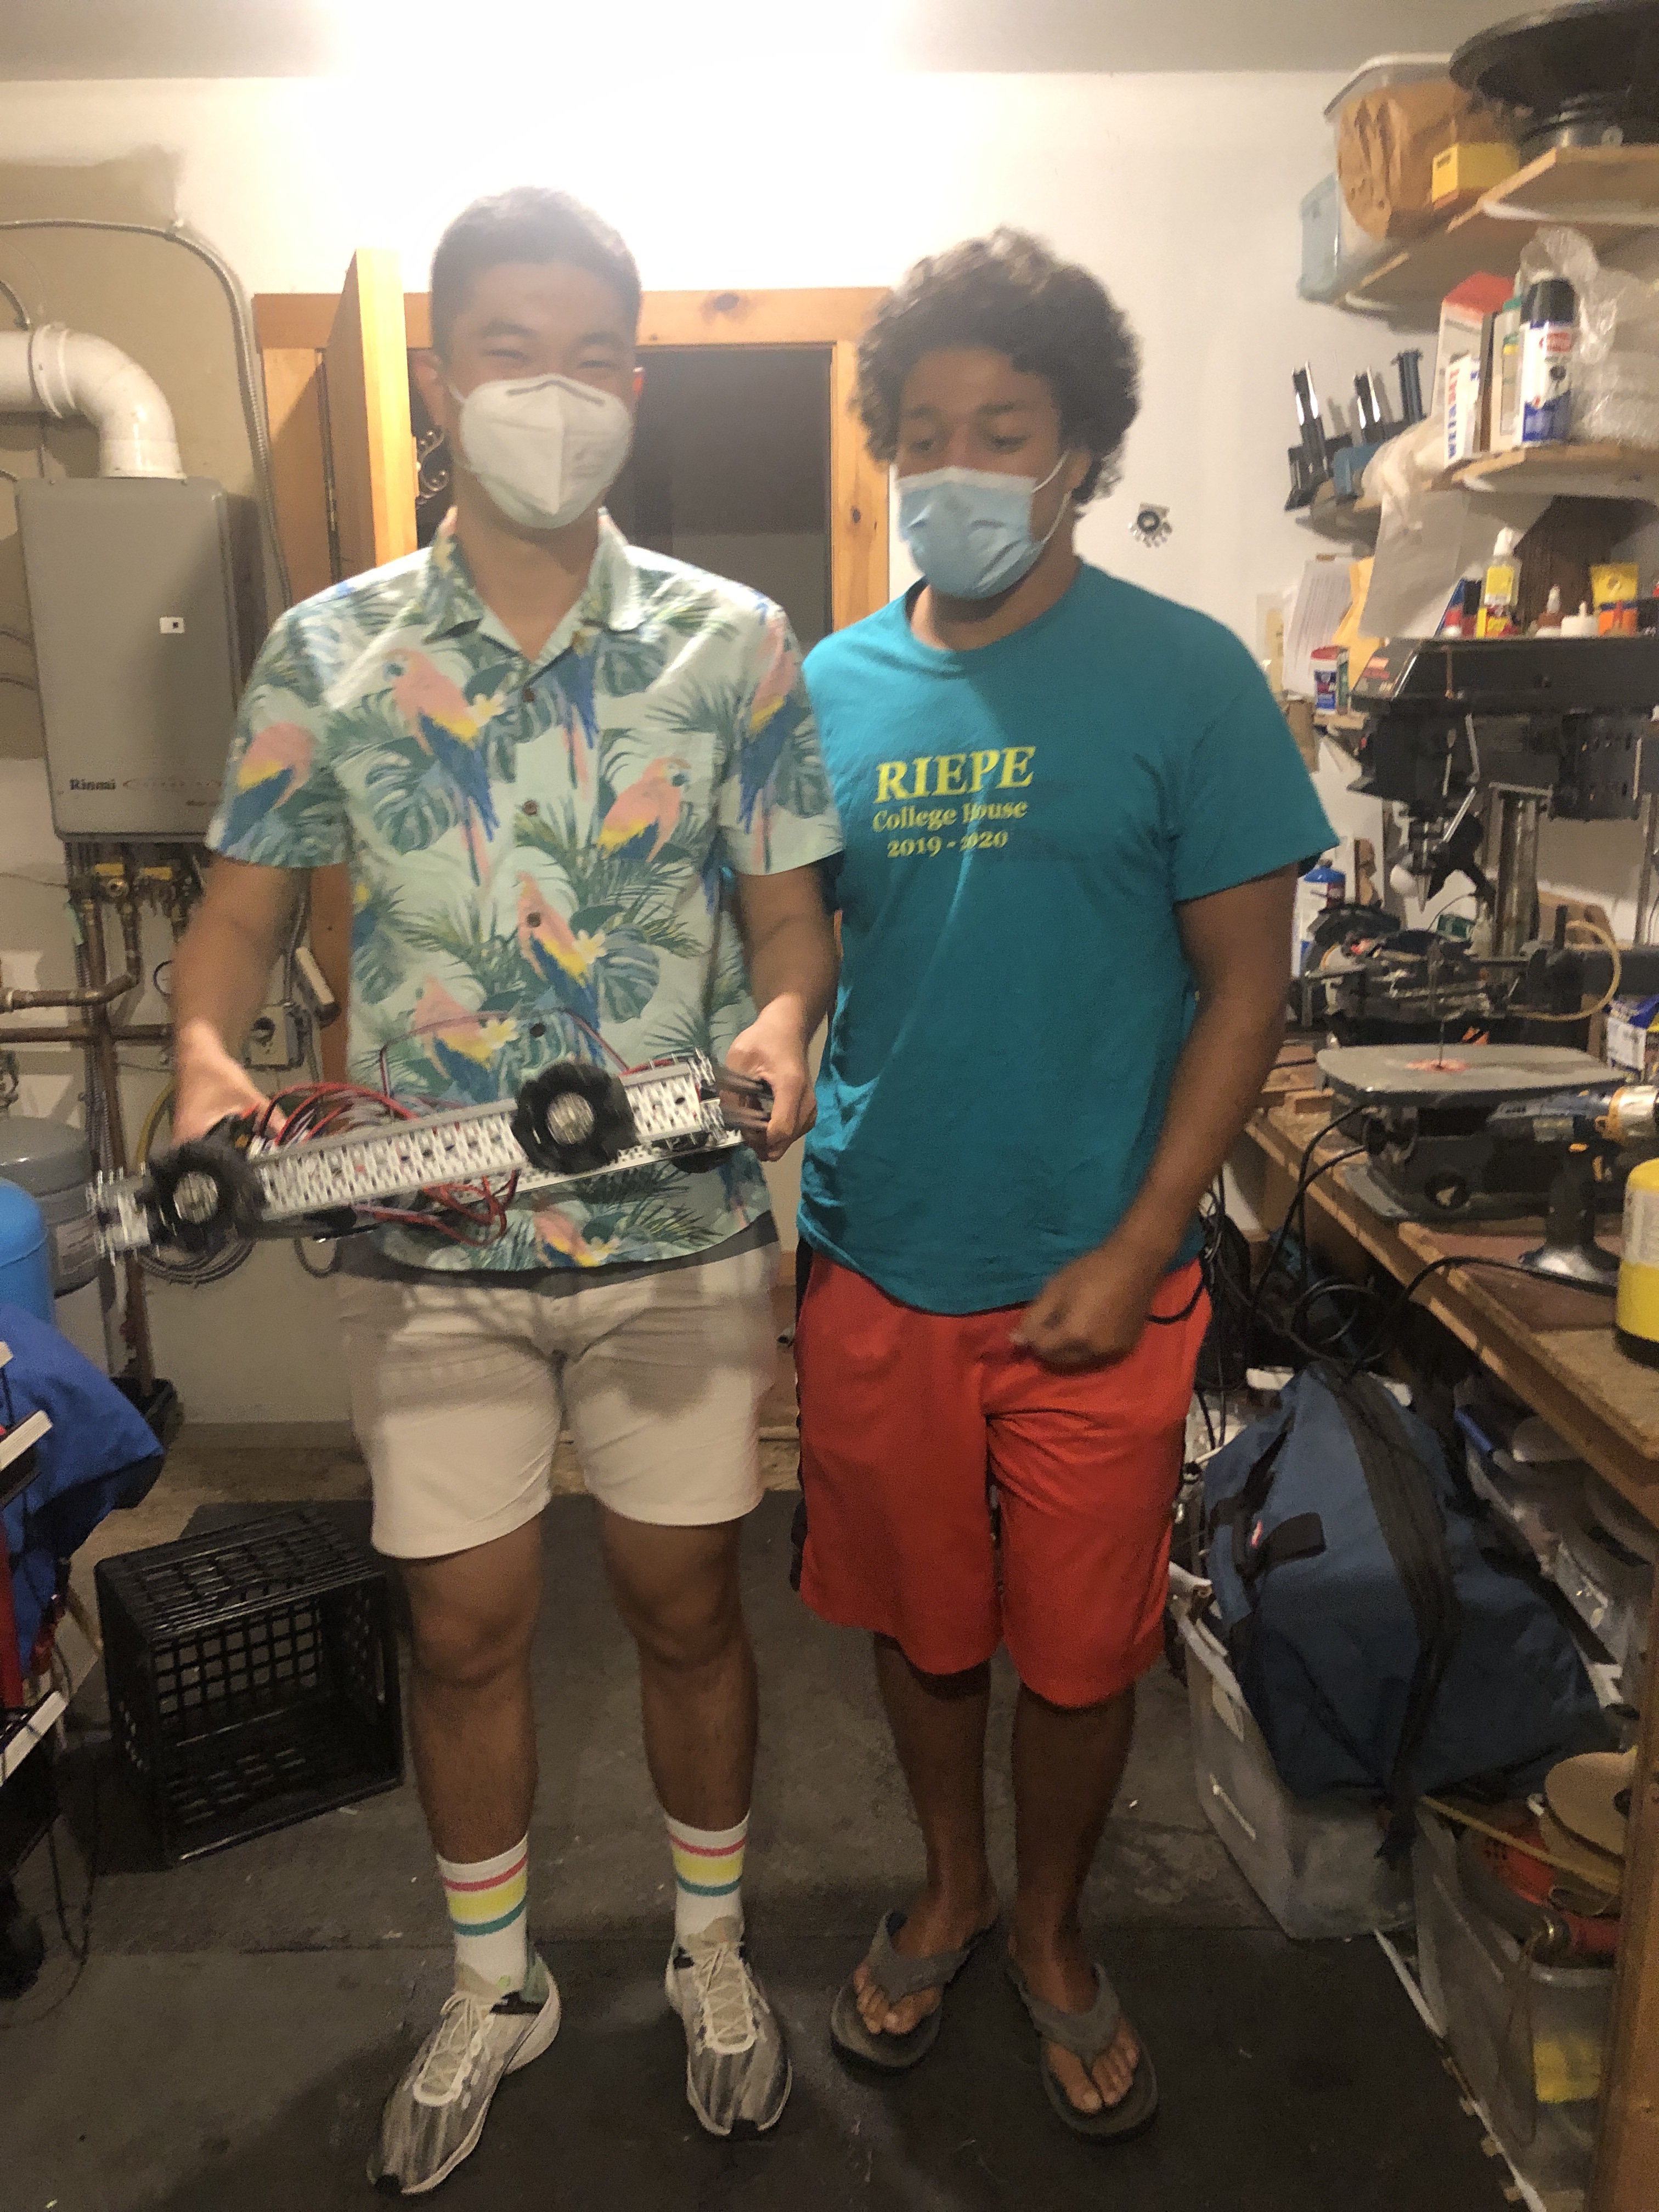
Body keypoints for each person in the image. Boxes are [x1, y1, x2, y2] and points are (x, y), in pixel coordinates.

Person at [171, 188, 842, 2193]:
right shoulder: (329, 651)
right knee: (461, 1628)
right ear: (442, 380)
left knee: (687, 1604)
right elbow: (237, 920)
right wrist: (208, 1056)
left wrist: (787, 1028)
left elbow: (790, 927)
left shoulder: (737, 646)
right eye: (509, 350)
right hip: (425, 1235)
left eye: (594, 355)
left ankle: (710, 1950)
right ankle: (499, 1983)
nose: (555, 390)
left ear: (636, 380)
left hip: (676, 1228)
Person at [794, 229, 1334, 2140]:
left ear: (1080, 449)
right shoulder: (826, 688)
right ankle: (951, 1891)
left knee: (1083, 1648)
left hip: (1103, 1278)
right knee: (924, 1625)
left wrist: (1142, 1237)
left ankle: (1049, 1929)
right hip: (878, 1255)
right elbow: (795, 962)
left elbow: (1246, 986)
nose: (954, 465)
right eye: (923, 431)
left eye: (1002, 428)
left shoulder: (1186, 680)